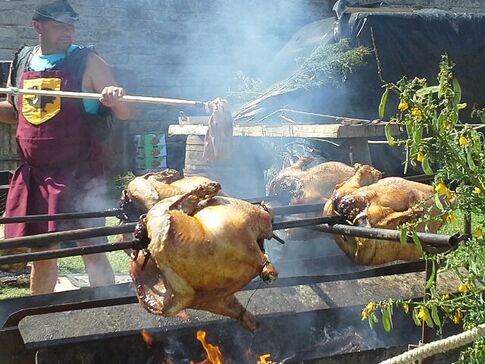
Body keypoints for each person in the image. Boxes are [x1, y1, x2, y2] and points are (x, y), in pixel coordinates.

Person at [0, 0, 134, 294]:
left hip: (79, 175)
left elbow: (127, 113)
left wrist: (116, 98)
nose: (68, 32)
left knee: (93, 248)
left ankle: (106, 311)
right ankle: (40, 318)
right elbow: (14, 113)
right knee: (43, 254)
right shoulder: (22, 60)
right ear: (38, 27)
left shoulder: (88, 61)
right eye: (60, 26)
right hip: (35, 176)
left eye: (71, 26)